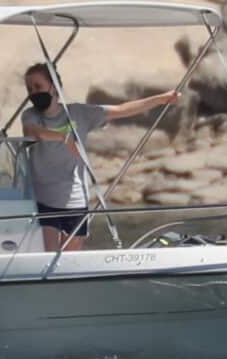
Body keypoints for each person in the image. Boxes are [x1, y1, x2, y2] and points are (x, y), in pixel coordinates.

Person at [19, 64, 180, 252]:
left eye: (38, 87)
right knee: (48, 259)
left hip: (75, 200)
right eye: (29, 89)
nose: (33, 93)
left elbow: (122, 109)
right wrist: (63, 137)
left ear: (53, 87)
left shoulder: (78, 113)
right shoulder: (30, 115)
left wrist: (160, 99)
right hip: (43, 199)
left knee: (69, 261)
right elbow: (35, 132)